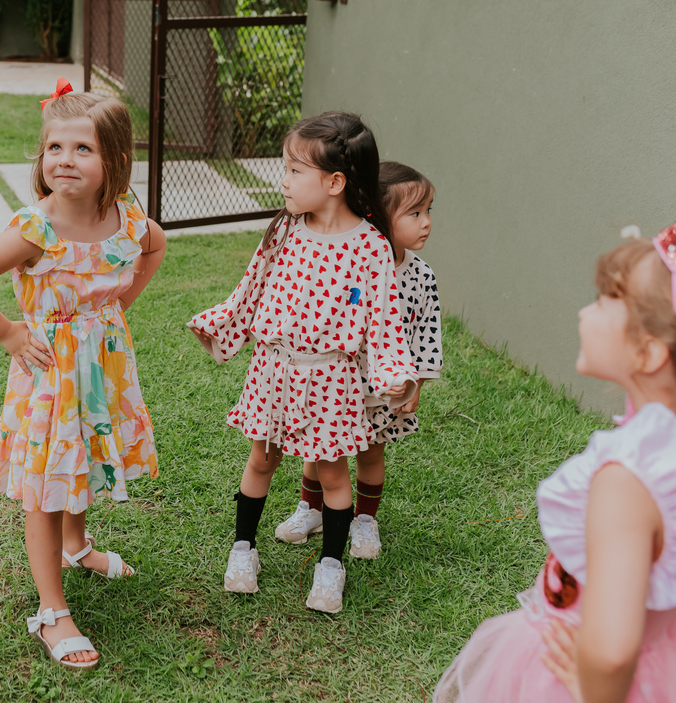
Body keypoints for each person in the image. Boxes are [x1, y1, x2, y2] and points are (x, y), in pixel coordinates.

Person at [0, 88, 166, 670]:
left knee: (83, 460)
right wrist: (10, 334)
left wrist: (116, 306)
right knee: (46, 486)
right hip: (50, 376)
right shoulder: (35, 230)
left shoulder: (127, 218)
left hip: (102, 367)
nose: (63, 159)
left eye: (82, 148)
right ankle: (51, 611)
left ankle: (76, 545)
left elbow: (154, 246)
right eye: (54, 147)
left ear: (114, 162)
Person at [188, 112, 418, 613]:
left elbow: (384, 319)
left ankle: (330, 567)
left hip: (332, 376)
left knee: (334, 475)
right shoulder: (283, 231)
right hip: (274, 370)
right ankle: (242, 549)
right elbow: (251, 287)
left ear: (335, 182)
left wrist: (394, 372)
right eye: (286, 168)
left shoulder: (371, 248)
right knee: (261, 460)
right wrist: (224, 322)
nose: (283, 181)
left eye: (295, 171)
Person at [435, 227, 676, 703]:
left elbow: (610, 652)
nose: (586, 310)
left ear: (647, 352)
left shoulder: (626, 478)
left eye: (606, 299)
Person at [274, 161, 441, 559]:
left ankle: (365, 520)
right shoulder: (355, 262)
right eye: (415, 213)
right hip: (336, 379)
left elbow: (427, 332)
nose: (427, 222)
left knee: (371, 451)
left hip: (385, 390)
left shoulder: (422, 277)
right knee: (321, 450)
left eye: (429, 211)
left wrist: (415, 380)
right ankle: (310, 508)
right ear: (377, 215)